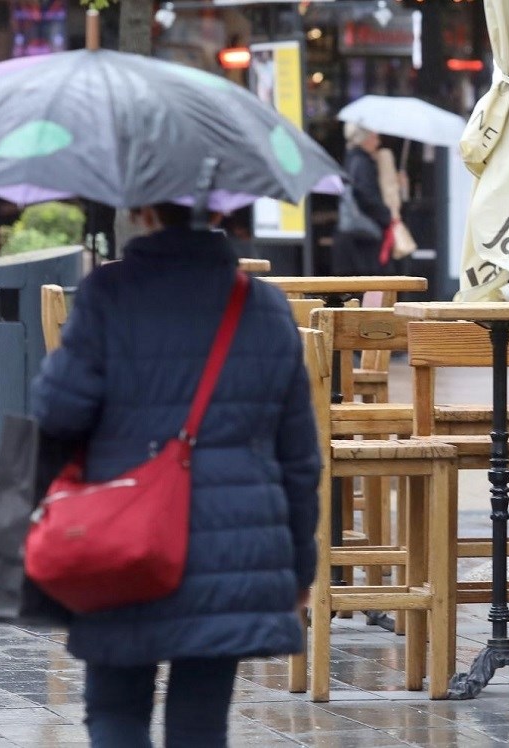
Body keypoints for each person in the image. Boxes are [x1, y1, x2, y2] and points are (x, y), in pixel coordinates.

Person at [31, 202, 321, 748]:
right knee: (201, 724)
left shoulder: (108, 295)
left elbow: (57, 414)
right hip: (231, 545)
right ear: (217, 208)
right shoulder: (260, 306)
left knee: (115, 711)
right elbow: (299, 457)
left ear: (144, 211)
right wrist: (300, 566)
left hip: (121, 538)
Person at [332, 123, 392, 276]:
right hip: (362, 238)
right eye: (374, 137)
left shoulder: (351, 159)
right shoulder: (362, 162)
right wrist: (386, 216)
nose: (378, 142)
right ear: (364, 139)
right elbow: (366, 195)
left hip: (351, 238)